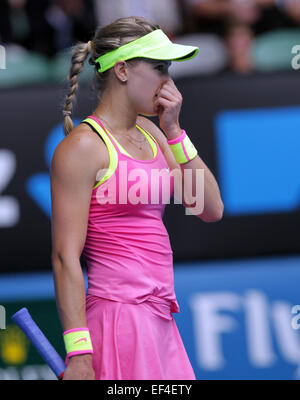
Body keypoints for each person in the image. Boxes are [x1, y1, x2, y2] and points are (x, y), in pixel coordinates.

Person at [50, 16, 224, 380]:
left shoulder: (153, 131)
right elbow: (66, 256)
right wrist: (79, 354)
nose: (169, 81)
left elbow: (209, 208)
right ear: (124, 70)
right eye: (159, 67)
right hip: (118, 321)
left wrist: (174, 131)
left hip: (160, 320)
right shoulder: (82, 147)